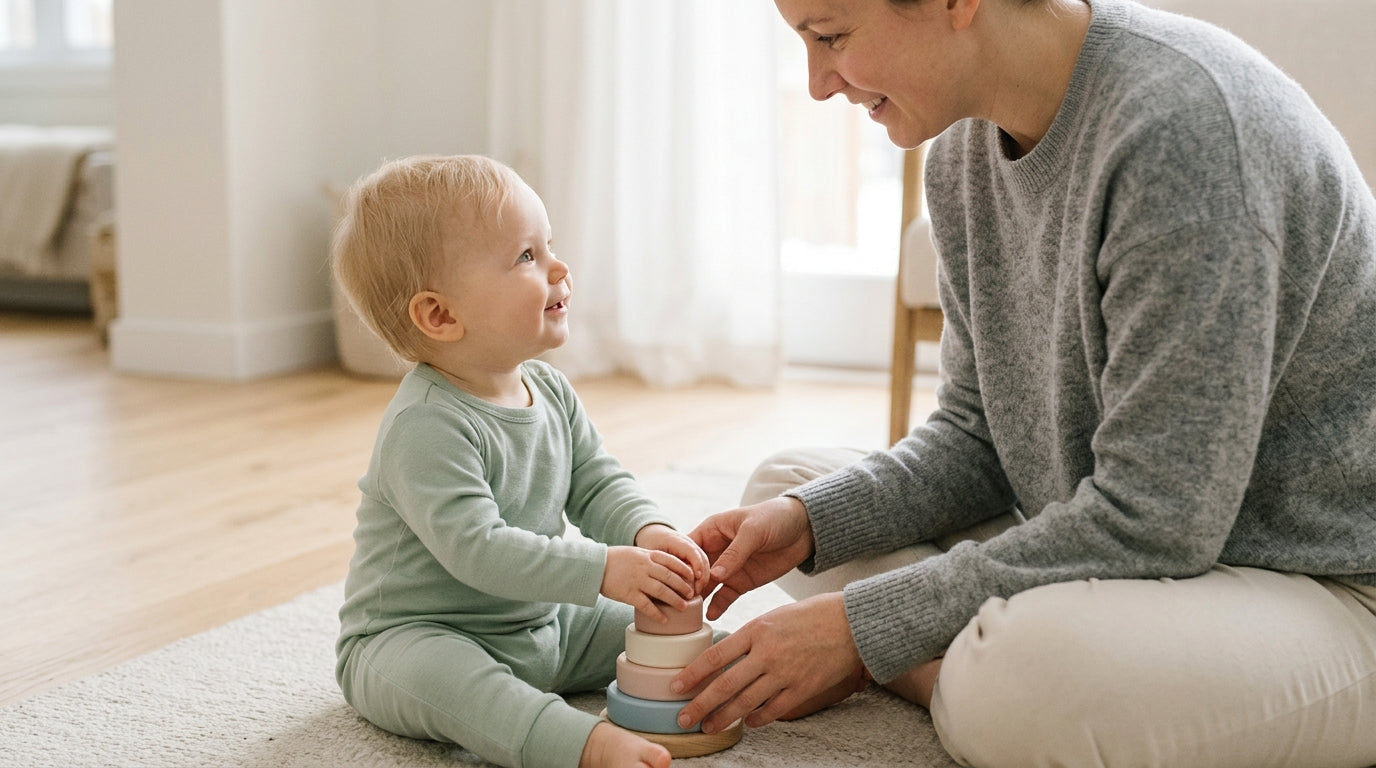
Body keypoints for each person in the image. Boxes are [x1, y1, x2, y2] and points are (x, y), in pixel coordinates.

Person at [671, 0, 1376, 765]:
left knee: (1019, 686)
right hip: (1144, 545)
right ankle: (959, 661)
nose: (814, 84)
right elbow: (978, 436)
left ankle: (960, 673)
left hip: (1327, 583)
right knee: (785, 491)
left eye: (831, 36)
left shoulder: (1187, 132)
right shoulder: (962, 152)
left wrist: (862, 629)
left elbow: (1157, 519)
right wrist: (810, 522)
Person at [331, 154, 711, 768]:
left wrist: (648, 532)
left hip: (543, 624)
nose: (559, 266)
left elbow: (595, 481)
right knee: (467, 690)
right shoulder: (425, 423)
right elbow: (477, 548)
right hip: (416, 638)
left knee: (667, 629)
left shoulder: (549, 389)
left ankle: (742, 670)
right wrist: (604, 568)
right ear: (441, 315)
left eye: (549, 244)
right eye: (526, 257)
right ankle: (580, 745)